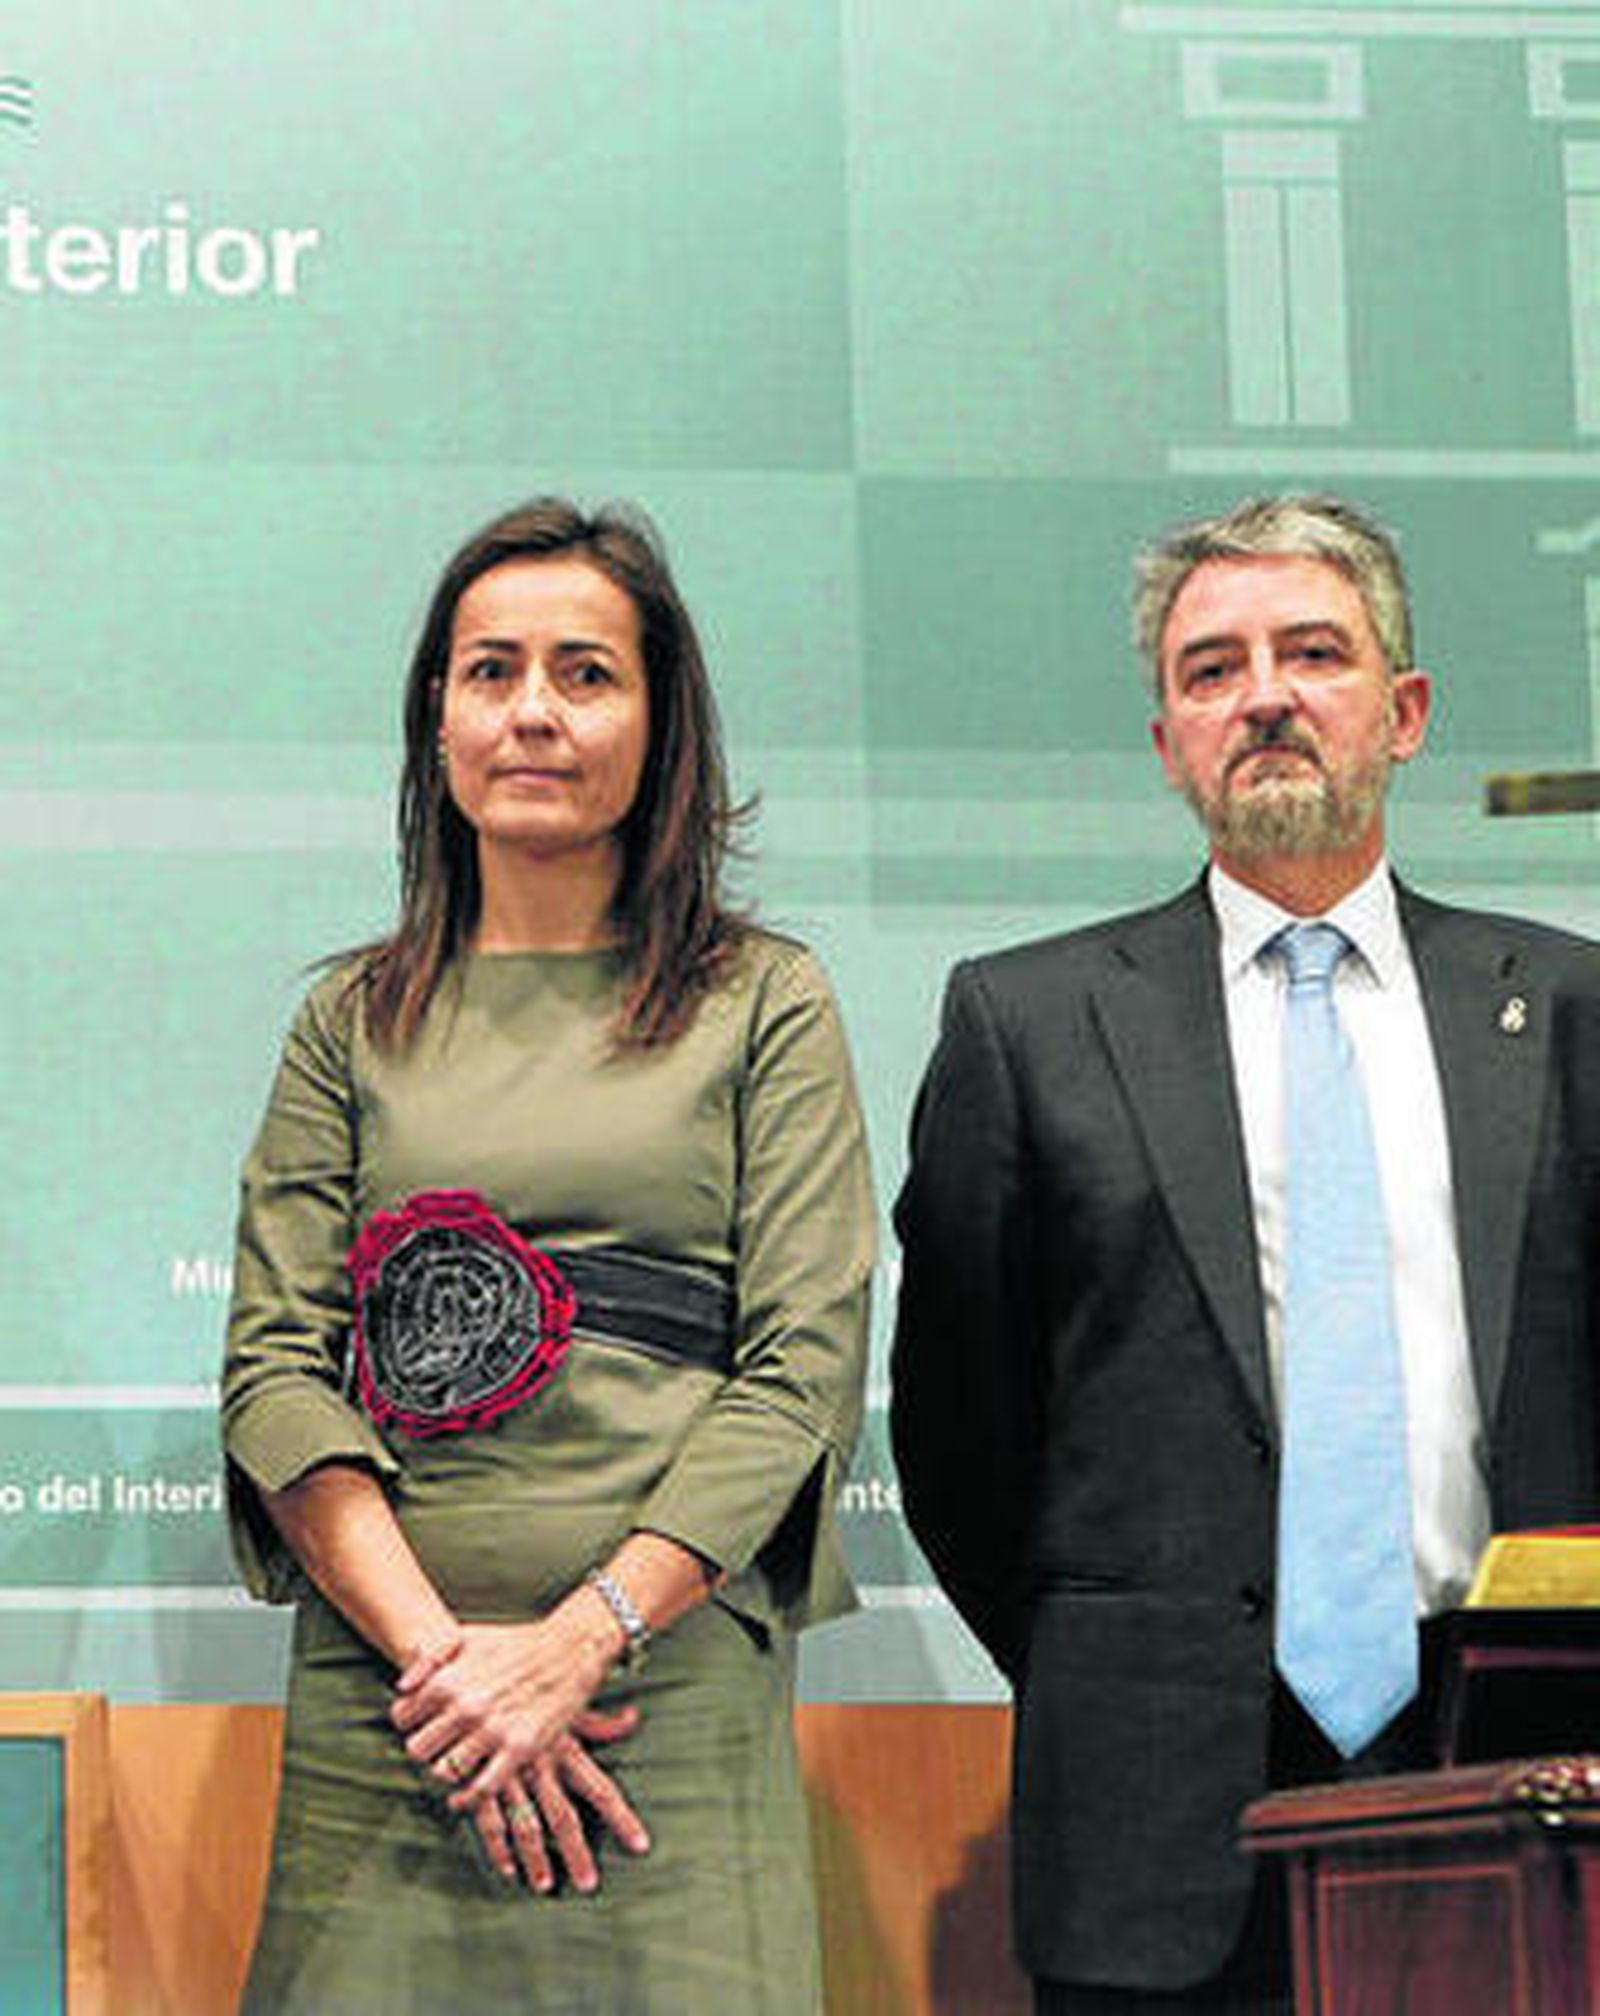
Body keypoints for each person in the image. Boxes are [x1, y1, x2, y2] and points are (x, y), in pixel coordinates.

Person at [889, 493, 1600, 2014]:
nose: (1265, 695)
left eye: (1314, 654)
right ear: (1167, 742)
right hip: (1156, 1803)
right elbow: (960, 1435)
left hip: (1523, 1770)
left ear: (1404, 714)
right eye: (1211, 669)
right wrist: (1118, 1666)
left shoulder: (1569, 1012)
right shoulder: (1028, 1025)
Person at [222, 496, 875, 2014]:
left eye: (585, 675)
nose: (532, 712)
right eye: (489, 670)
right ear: (435, 718)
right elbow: (272, 1371)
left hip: (662, 1688)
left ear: (661, 727)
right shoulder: (346, 1019)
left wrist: (578, 1646)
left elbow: (800, 1374)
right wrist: (453, 1669)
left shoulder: (764, 1002)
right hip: (397, 1700)